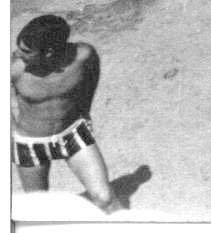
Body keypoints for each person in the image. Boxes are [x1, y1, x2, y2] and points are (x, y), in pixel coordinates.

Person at [10, 15, 126, 212]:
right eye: (19, 47)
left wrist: (85, 111)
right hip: (31, 144)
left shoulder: (83, 55)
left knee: (105, 198)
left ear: (48, 52)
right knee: (40, 210)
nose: (18, 53)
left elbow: (91, 77)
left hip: (72, 132)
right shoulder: (14, 68)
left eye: (26, 51)